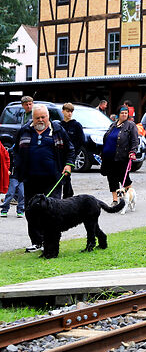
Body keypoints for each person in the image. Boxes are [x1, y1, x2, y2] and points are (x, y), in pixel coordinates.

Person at [15, 104, 75, 253]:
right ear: (32, 118)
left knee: (51, 212)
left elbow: (70, 150)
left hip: (53, 179)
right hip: (31, 180)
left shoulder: (58, 130)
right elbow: (16, 151)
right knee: (31, 212)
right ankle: (37, 242)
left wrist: (68, 165)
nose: (40, 120)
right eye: (37, 118)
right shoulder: (24, 131)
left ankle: (51, 243)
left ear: (48, 117)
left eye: (43, 117)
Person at [101, 107, 138, 205]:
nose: (124, 115)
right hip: (109, 157)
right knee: (111, 178)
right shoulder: (113, 125)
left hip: (122, 156)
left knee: (124, 178)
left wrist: (133, 151)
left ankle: (130, 198)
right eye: (122, 113)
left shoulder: (130, 125)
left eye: (126, 113)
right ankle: (115, 200)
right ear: (118, 114)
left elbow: (135, 140)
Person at [60, 103, 85, 198]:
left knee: (66, 174)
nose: (69, 113)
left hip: (71, 154)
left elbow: (81, 140)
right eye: (67, 111)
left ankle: (68, 195)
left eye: (71, 111)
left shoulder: (76, 125)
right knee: (61, 174)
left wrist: (74, 151)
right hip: (60, 153)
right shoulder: (59, 125)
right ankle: (65, 194)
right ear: (63, 111)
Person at [0, 143, 22, 218]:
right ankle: (4, 209)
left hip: (22, 175)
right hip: (14, 175)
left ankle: (20, 210)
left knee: (22, 194)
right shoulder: (12, 151)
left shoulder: (27, 150)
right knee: (10, 193)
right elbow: (8, 160)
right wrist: (8, 169)